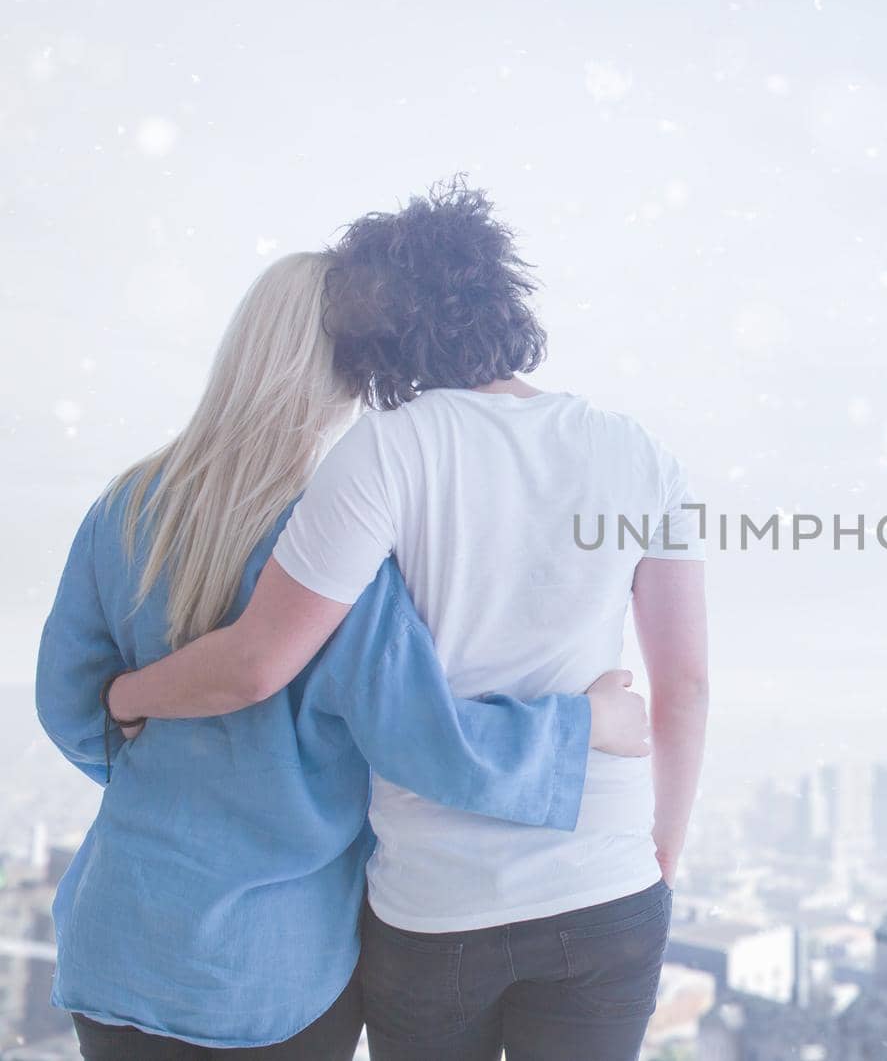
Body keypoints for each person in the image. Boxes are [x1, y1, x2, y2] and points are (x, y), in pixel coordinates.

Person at [109, 184, 712, 1061]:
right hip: (603, 884)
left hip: (439, 908)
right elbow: (686, 687)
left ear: (379, 339)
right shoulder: (641, 454)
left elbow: (255, 662)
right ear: (506, 293)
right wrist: (660, 854)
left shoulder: (384, 453)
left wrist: (129, 693)